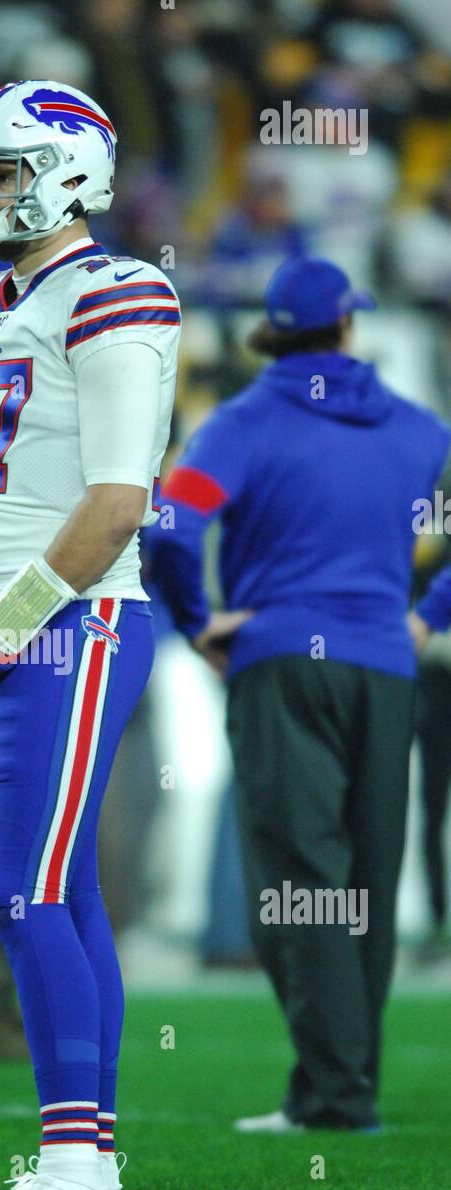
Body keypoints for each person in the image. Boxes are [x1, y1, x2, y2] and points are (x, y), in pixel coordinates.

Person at [0, 80, 181, 1190]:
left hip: (75, 623)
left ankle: (78, 1178)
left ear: (70, 170)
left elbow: (119, 500)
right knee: (54, 888)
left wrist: (4, 620)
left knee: (10, 884)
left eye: (4, 170)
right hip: (10, 623)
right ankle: (82, 1162)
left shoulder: (120, 292)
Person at [148, 255, 450, 1133]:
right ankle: (340, 1084)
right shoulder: (418, 429)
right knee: (364, 875)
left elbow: (172, 527)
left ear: (272, 333)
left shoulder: (238, 425)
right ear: (349, 326)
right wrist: (427, 616)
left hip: (279, 660)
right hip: (387, 664)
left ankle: (334, 1094)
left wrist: (197, 619)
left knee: (297, 881)